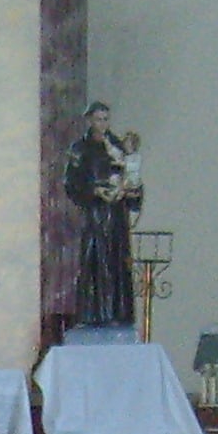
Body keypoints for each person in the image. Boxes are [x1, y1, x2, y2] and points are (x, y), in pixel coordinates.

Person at [63, 103, 144, 327]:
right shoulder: (80, 149)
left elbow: (132, 178)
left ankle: (118, 314)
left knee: (117, 267)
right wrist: (94, 191)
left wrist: (131, 191)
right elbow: (71, 184)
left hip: (116, 218)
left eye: (106, 119)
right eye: (98, 119)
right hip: (95, 218)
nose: (103, 124)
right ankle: (93, 316)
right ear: (90, 120)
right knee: (94, 266)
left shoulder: (118, 146)